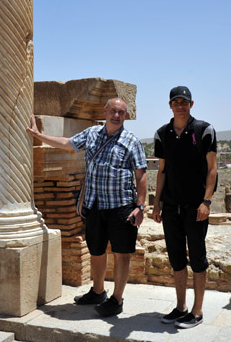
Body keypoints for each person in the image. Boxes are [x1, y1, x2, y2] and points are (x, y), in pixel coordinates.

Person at [26, 97, 147, 317]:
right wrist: (38, 136)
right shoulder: (92, 133)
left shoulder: (131, 141)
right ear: (105, 111)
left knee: (122, 253)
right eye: (113, 111)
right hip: (95, 205)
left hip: (121, 207)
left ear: (126, 116)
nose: (116, 115)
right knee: (96, 250)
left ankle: (117, 299)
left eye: (121, 112)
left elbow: (141, 175)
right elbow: (67, 144)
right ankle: (98, 291)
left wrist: (140, 206)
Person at [152, 86, 217, 329]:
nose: (180, 105)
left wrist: (206, 201)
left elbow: (212, 168)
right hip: (170, 207)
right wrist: (156, 203)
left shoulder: (204, 130)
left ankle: (197, 311)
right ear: (170, 105)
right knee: (176, 259)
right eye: (176, 102)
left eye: (185, 102)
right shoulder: (162, 133)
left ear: (191, 104)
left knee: (198, 259)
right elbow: (162, 171)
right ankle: (180, 307)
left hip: (195, 206)